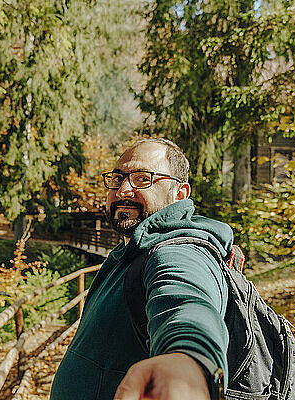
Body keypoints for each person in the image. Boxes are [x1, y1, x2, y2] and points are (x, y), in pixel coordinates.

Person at [50, 138, 232, 400]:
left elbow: (187, 305)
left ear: (179, 194)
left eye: (143, 178)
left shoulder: (177, 252)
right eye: (118, 178)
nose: (123, 190)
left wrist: (189, 365)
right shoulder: (130, 252)